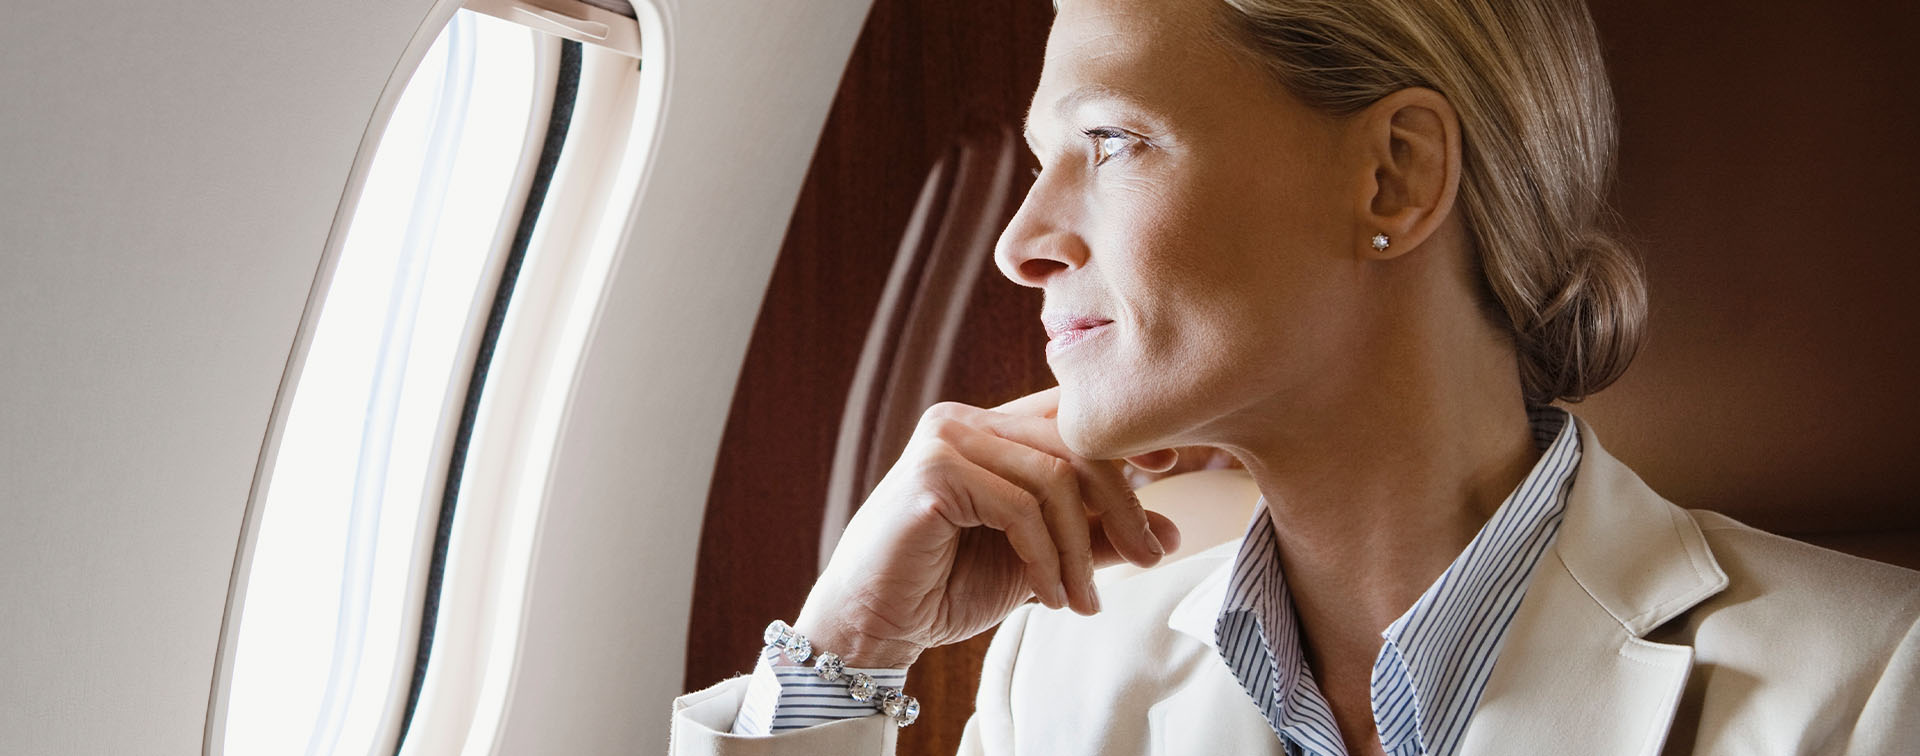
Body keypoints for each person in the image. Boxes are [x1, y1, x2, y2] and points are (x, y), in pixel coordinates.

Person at [670, 0, 1920, 752]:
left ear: (1392, 178)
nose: (1019, 241)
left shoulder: (1872, 689)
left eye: (1107, 140)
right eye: (1041, 155)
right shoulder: (1066, 680)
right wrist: (845, 656)